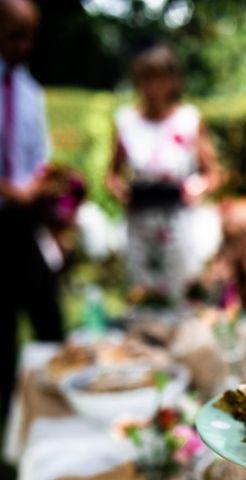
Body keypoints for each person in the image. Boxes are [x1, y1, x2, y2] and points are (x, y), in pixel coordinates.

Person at [107, 43, 222, 305]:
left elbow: (212, 173)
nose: (152, 87)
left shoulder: (189, 119)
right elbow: (112, 175)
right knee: (143, 294)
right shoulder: (126, 121)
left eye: (158, 77)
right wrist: (123, 193)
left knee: (180, 294)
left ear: (173, 80)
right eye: (145, 78)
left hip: (177, 218)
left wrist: (197, 189)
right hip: (139, 220)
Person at [0, 0, 63, 423]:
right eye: (15, 34)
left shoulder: (30, 90)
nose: (25, 44)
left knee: (50, 323)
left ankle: (53, 412)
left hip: (24, 227)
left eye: (29, 35)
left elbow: (39, 158)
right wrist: (11, 191)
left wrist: (50, 187)